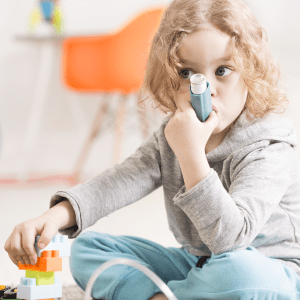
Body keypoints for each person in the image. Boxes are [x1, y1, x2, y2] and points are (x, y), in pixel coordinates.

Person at [5, 0, 300, 299]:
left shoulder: (268, 146)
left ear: (250, 73)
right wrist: (54, 217)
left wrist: (191, 153)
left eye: (223, 70)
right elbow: (117, 183)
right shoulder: (171, 135)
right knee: (87, 249)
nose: (205, 89)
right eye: (187, 74)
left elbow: (231, 240)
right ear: (169, 78)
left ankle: (168, 294)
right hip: (199, 265)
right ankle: (171, 295)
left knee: (241, 274)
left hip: (267, 268)